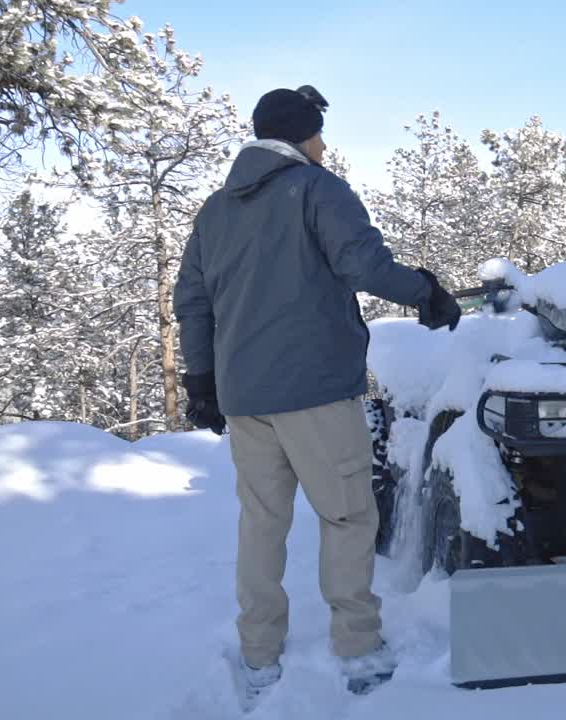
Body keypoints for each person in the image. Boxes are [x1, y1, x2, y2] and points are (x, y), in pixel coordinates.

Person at [172, 84, 461, 705]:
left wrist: (203, 383)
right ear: (302, 135)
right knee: (348, 515)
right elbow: (364, 265)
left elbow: (192, 303)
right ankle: (357, 648)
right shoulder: (318, 189)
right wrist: (427, 293)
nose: (325, 146)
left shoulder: (216, 211)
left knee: (261, 522)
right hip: (318, 394)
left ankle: (258, 655)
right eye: (319, 135)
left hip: (246, 397)